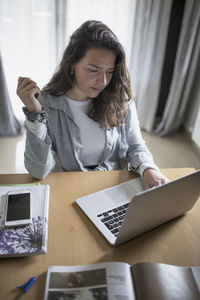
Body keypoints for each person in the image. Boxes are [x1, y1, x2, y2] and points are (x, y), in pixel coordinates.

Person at [17, 20, 168, 189]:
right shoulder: (47, 105)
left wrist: (148, 168)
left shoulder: (120, 98)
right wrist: (35, 114)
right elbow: (38, 171)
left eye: (109, 72)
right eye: (94, 70)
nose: (103, 81)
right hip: (68, 189)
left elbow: (135, 146)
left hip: (114, 187)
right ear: (72, 64)